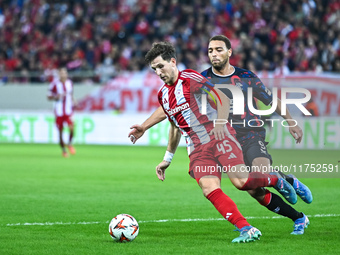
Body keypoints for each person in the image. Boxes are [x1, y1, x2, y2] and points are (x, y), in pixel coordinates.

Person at [129, 36, 313, 235]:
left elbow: (270, 99)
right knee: (253, 190)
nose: (214, 54)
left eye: (218, 50)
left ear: (229, 52)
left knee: (257, 173)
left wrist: (291, 121)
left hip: (247, 132)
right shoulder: (201, 77)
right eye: (210, 51)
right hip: (216, 136)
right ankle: (297, 217)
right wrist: (149, 132)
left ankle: (283, 179)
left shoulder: (243, 76)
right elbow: (172, 112)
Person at [47, 67, 76, 157]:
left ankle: (70, 144)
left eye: (64, 73)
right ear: (59, 75)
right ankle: (63, 150)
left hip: (68, 110)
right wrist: (56, 97)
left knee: (72, 128)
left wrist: (74, 100)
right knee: (60, 132)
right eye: (61, 73)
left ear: (66, 74)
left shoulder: (69, 83)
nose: (63, 75)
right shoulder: (54, 84)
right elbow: (48, 97)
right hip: (59, 111)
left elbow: (70, 94)